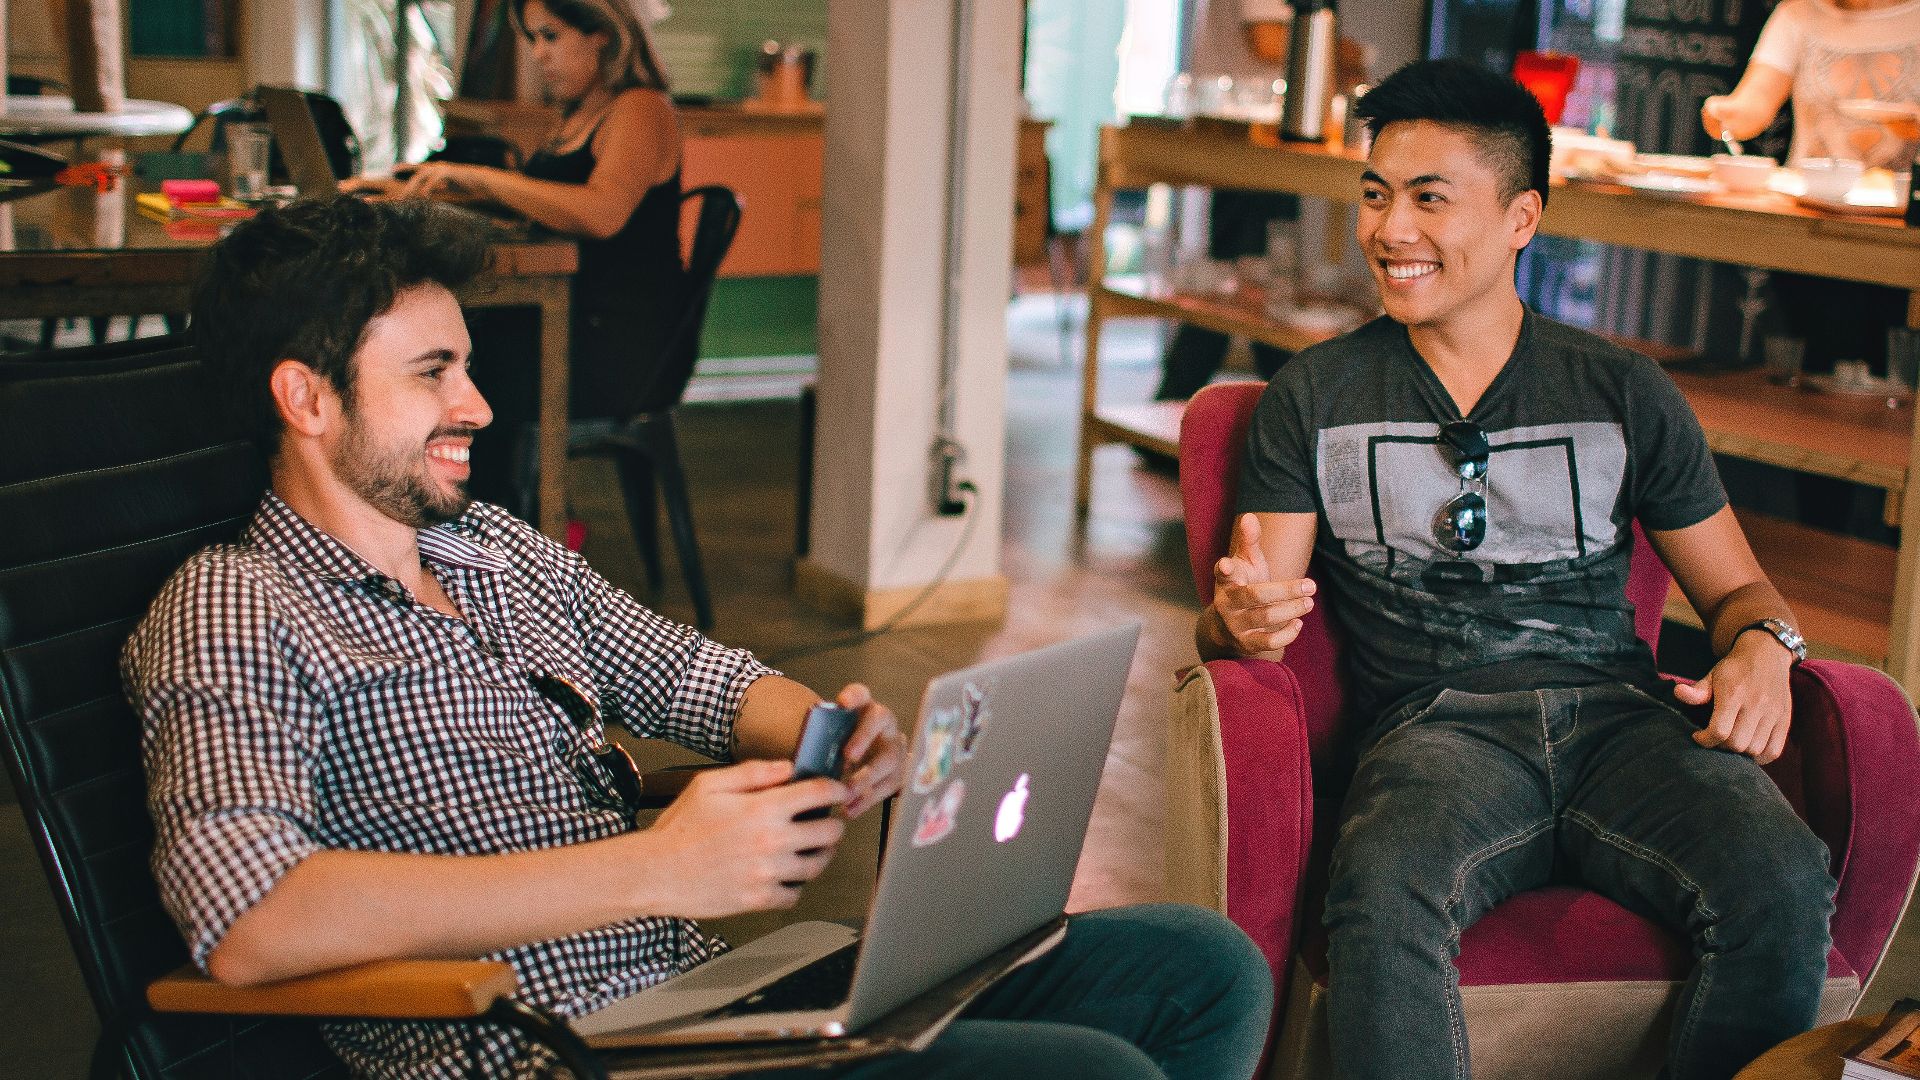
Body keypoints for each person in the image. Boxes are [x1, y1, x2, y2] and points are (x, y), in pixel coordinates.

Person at [125, 196, 1273, 1080]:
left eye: (467, 366)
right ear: (308, 399)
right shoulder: (237, 604)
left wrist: (826, 732)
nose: (477, 403)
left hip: (698, 997)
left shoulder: (492, 550)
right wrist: (656, 867)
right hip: (549, 1047)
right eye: (434, 374)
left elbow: (684, 673)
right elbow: (251, 920)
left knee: (1198, 967)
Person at [1199, 60, 1835, 1080]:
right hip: (1434, 730)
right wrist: (1239, 624)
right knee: (1382, 888)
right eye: (1375, 195)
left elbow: (1740, 593)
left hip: (1626, 723)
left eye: (1428, 198)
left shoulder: (1622, 389)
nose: (1388, 230)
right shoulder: (1313, 396)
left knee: (1780, 875)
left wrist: (1765, 644)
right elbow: (1248, 610)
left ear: (1521, 218)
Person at [346, 0, 686, 512]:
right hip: (570, 318)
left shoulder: (640, 109)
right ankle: (448, 523)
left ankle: (472, 531)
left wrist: (477, 177)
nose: (539, 55)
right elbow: (540, 200)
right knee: (442, 353)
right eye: (533, 40)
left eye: (551, 36)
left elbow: (601, 213)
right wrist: (405, 189)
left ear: (601, 35)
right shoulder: (578, 115)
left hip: (615, 342)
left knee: (451, 368)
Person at [1700, 0, 1920, 376]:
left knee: (1894, 377)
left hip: (1899, 227)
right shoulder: (1798, 13)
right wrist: (1725, 115)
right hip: (1811, 219)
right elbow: (1754, 106)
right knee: (1816, 368)